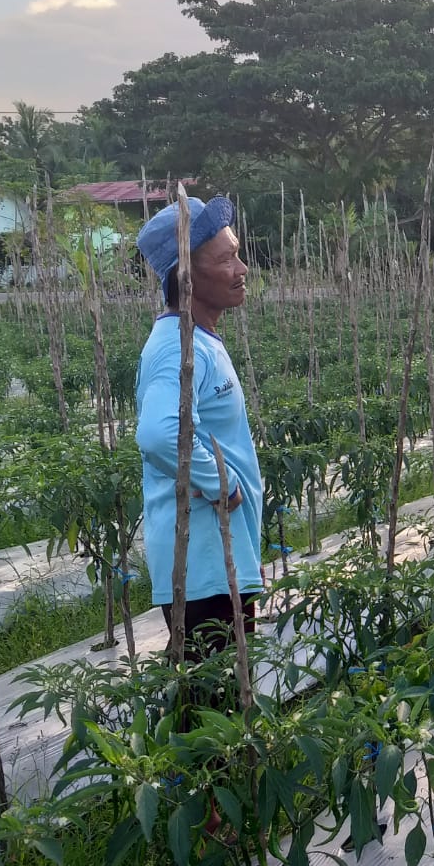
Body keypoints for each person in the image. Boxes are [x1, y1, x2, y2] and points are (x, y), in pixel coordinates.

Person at [134, 195, 263, 673]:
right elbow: (158, 433)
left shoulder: (200, 339)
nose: (241, 267)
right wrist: (221, 483)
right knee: (214, 705)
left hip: (220, 557)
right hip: (201, 562)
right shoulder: (176, 346)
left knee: (225, 694)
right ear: (188, 278)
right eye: (225, 258)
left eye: (237, 253)